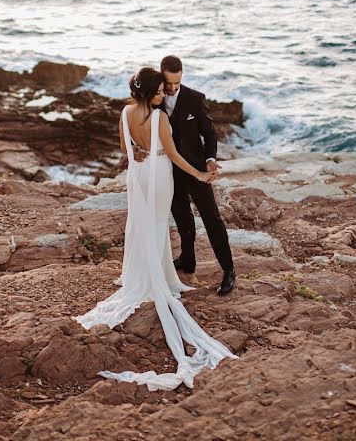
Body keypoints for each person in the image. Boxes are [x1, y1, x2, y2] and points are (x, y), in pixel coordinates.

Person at [74, 67, 236, 390]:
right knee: (159, 225)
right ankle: (157, 280)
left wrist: (142, 152)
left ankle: (152, 275)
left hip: (140, 178)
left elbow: (126, 151)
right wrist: (201, 175)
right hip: (161, 176)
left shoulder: (124, 113)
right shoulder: (160, 118)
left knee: (145, 225)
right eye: (160, 91)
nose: (165, 95)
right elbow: (174, 156)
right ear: (150, 93)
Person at [160, 55, 236, 295]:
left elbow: (210, 134)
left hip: (197, 169)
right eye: (168, 83)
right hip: (168, 169)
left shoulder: (195, 98)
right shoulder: (155, 98)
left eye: (177, 83)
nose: (172, 89)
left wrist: (210, 159)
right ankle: (187, 259)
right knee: (182, 218)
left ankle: (229, 270)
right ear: (162, 76)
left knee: (211, 218)